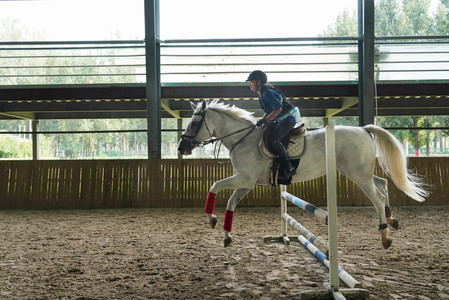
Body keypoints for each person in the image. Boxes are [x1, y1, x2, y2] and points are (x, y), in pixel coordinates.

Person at [246, 70, 301, 177]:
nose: (249, 84)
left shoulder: (267, 93)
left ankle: (289, 167)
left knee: (274, 139)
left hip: (290, 116)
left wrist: (266, 120)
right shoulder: (262, 94)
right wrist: (262, 120)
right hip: (283, 117)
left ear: (258, 82)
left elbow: (278, 109)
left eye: (251, 82)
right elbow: (269, 111)